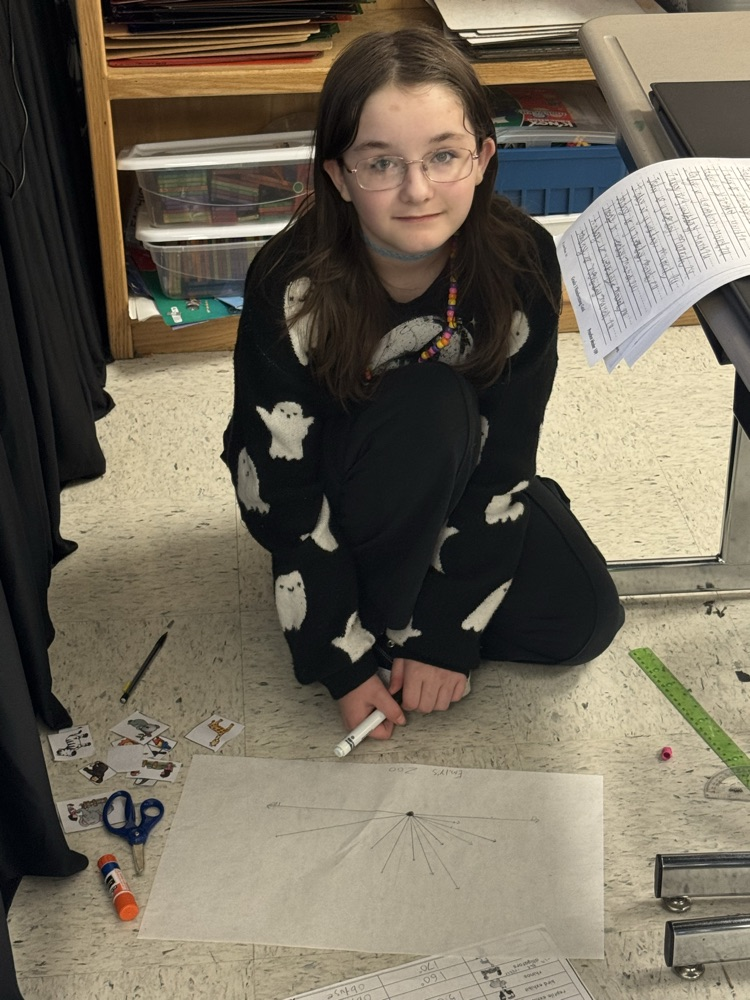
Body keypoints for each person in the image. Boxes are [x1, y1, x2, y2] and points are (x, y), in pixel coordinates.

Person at [222, 26, 624, 741]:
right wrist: (342, 659)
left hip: (461, 469)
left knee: (583, 620)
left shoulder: (523, 260)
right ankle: (374, 608)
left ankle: (401, 607)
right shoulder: (290, 283)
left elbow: (508, 451)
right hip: (341, 488)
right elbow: (280, 488)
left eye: (444, 156)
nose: (417, 190)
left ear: (483, 158)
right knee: (432, 404)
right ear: (339, 176)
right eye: (381, 163)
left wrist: (441, 637)